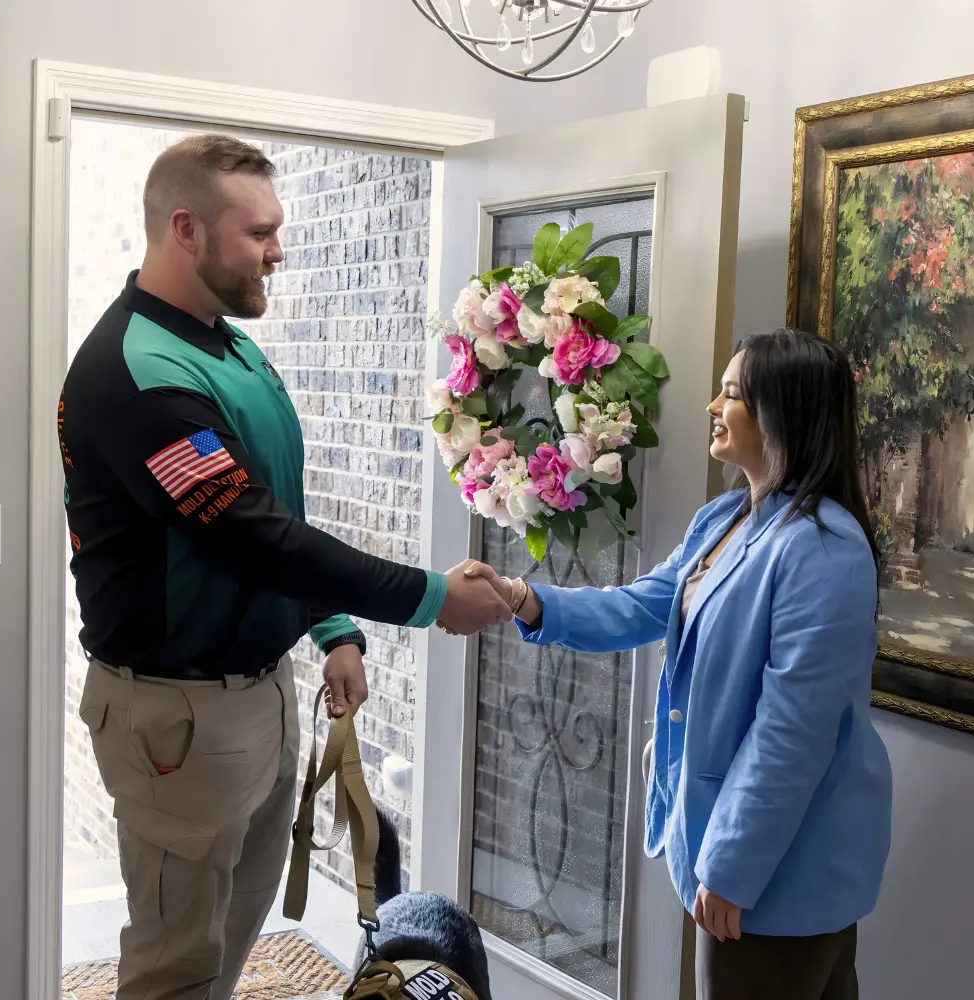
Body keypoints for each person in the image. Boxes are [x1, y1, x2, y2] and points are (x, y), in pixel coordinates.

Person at [57, 133, 511, 1000]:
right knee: (173, 967)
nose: (279, 249)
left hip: (257, 699)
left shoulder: (222, 344)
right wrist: (426, 600)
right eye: (258, 232)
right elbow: (253, 534)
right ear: (185, 229)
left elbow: (273, 502)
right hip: (177, 723)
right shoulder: (138, 376)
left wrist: (333, 625)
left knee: (226, 945)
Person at [480, 328, 892, 1000]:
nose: (711, 406)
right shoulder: (728, 517)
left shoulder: (823, 550)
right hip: (744, 856)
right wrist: (527, 601)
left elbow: (793, 733)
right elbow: (644, 606)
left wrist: (732, 864)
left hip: (781, 871)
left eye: (731, 393)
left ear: (781, 412)